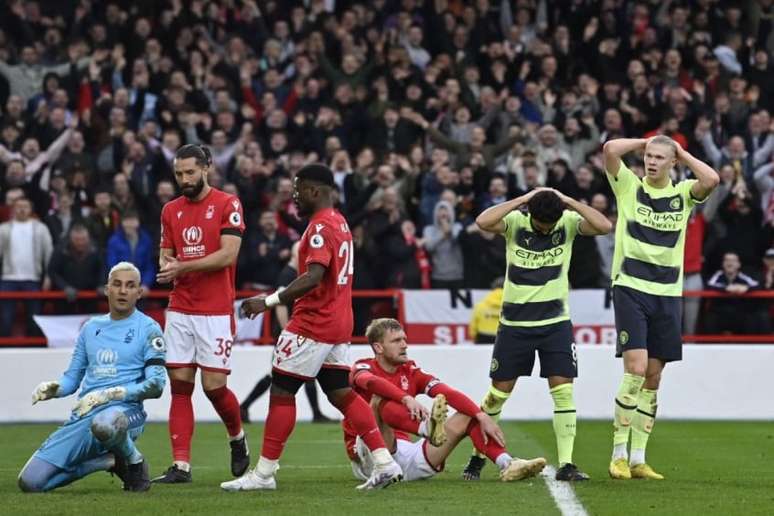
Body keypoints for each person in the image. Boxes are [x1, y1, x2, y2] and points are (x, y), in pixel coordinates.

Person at [220, 164, 402, 492]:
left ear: (314, 191)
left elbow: (314, 275)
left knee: (282, 391)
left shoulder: (319, 227)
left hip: (313, 321)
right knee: (342, 394)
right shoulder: (341, 222)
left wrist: (270, 300)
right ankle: (385, 462)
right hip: (338, 321)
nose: (294, 197)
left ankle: (263, 474)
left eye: (298, 190)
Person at [463, 187, 613, 482]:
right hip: (514, 326)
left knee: (563, 391)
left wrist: (568, 200)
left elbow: (605, 226)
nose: (546, 231)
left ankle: (567, 463)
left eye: (550, 226)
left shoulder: (566, 222)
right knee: (497, 396)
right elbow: (482, 221)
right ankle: (478, 456)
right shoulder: (516, 223)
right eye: (541, 226)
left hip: (555, 324)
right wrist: (522, 199)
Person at [602, 135, 719, 480]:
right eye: (648, 156)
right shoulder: (628, 187)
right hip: (630, 288)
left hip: (667, 293)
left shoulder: (683, 194)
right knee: (635, 368)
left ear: (673, 163)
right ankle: (618, 454)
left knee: (653, 377)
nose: (651, 162)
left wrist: (681, 152)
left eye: (658, 157)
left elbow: (711, 179)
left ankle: (638, 459)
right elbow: (609, 149)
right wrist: (644, 141)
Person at [17, 262, 166, 492]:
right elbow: (71, 380)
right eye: (117, 285)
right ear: (107, 289)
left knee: (104, 423)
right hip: (84, 415)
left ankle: (135, 462)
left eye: (130, 286)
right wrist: (54, 388)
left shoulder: (149, 328)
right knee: (30, 482)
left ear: (139, 292)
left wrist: (113, 394)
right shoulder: (90, 328)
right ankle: (107, 462)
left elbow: (156, 385)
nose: (123, 291)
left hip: (126, 414)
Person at [346, 318, 546, 483]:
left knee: (467, 415)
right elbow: (371, 383)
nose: (405, 345)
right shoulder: (362, 367)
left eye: (404, 339)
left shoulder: (410, 371)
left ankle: (508, 464)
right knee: (378, 400)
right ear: (378, 347)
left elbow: (447, 393)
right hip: (372, 456)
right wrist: (405, 398)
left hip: (407, 456)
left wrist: (481, 415)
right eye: (397, 341)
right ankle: (427, 429)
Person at [152, 144, 249, 484]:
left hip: (215, 310)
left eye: (190, 172)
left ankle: (237, 438)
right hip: (180, 308)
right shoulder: (170, 210)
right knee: (180, 386)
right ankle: (181, 466)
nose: (184, 179)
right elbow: (166, 252)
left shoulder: (227, 203)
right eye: (179, 174)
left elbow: (227, 256)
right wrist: (167, 266)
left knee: (213, 387)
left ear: (206, 168)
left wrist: (183, 265)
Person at [240, 241, 331, 423]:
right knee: (278, 373)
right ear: (294, 255)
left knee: (302, 371)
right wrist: (285, 331)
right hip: (290, 332)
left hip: (295, 331)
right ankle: (243, 407)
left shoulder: (293, 274)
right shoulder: (287, 275)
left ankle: (316, 413)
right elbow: (280, 306)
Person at [0, 196, 53, 336]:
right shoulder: (4, 228)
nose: (22, 209)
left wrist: (48, 276)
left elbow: (49, 253)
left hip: (33, 278)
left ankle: (35, 353)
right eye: (18, 206)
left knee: (34, 319)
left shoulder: (40, 228)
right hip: (8, 278)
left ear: (30, 209)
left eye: (25, 206)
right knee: (5, 318)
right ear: (13, 209)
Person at [468, 277, 504, 344]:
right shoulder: (513, 307)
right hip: (503, 338)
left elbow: (473, 324)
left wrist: (473, 336)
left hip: (483, 338)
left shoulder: (480, 306)